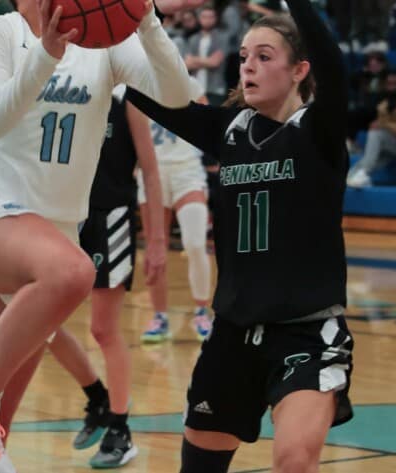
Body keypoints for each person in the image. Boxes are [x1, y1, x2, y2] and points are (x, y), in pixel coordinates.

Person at [0, 0, 193, 471]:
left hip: (49, 239)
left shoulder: (104, 43)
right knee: (75, 273)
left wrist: (148, 17)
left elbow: (178, 94)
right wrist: (45, 54)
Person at [125, 0, 354, 471]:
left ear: (299, 70)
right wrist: (131, 25)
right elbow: (142, 90)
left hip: (307, 333)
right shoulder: (230, 130)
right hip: (232, 334)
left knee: (293, 460)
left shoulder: (319, 130)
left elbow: (333, 63)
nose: (248, 65)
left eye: (265, 56)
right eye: (245, 56)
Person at [46, 83, 167, 468]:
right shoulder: (65, 87)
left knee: (103, 329)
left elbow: (149, 169)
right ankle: (96, 397)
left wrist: (158, 240)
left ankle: (120, 429)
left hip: (110, 217)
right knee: (39, 322)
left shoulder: (128, 98)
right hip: (65, 217)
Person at [138, 79, 213, 343]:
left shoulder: (189, 84)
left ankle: (202, 311)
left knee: (194, 243)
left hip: (187, 170)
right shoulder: (137, 84)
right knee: (154, 249)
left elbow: (209, 122)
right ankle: (159, 317)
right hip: (152, 174)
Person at [347, 71, 396, 188]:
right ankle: (353, 174)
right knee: (381, 156)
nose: (392, 87)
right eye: (389, 84)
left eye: (395, 84)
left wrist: (385, 124)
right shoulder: (385, 103)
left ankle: (363, 172)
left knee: (376, 134)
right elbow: (383, 124)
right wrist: (382, 124)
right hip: (395, 145)